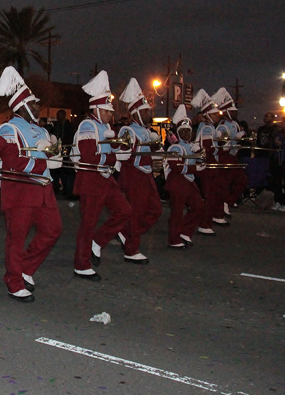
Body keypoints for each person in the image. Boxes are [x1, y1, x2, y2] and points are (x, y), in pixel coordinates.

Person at [0, 66, 62, 302]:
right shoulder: (8, 128)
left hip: (44, 189)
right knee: (16, 238)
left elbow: (51, 160)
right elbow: (12, 162)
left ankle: (25, 268)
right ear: (20, 106)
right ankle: (13, 281)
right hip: (21, 191)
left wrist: (54, 152)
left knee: (53, 230)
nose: (37, 107)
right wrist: (43, 161)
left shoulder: (40, 128)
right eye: (33, 104)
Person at [70, 71, 131, 280]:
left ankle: (98, 241)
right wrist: (115, 158)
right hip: (91, 180)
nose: (109, 114)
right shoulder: (87, 125)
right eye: (106, 110)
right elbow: (89, 157)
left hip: (105, 178)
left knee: (124, 210)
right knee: (88, 223)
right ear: (96, 108)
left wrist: (121, 150)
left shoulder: (105, 126)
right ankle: (81, 263)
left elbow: (110, 150)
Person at [115, 78, 163, 263]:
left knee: (155, 210)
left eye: (148, 111)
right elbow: (124, 153)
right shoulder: (128, 130)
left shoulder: (145, 130)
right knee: (136, 213)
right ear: (135, 114)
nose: (148, 114)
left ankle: (126, 232)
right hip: (134, 174)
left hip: (146, 173)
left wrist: (155, 145)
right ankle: (131, 249)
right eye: (144, 111)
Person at [163, 105, 205, 248]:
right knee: (177, 212)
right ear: (179, 133)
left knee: (198, 206)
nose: (187, 134)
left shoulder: (192, 146)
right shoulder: (175, 148)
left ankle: (185, 232)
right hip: (177, 183)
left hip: (189, 182)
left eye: (189, 131)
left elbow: (201, 162)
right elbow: (177, 168)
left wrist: (199, 154)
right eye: (184, 132)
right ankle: (174, 239)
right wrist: (195, 167)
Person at [191, 89, 224, 235]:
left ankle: (209, 220)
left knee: (213, 193)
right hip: (207, 164)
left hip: (211, 163)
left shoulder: (210, 127)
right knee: (209, 195)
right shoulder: (206, 128)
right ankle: (205, 224)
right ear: (208, 115)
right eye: (215, 114)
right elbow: (206, 149)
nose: (217, 116)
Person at [52, 109, 76, 198]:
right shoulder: (57, 126)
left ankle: (68, 191)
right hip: (58, 151)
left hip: (67, 151)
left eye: (60, 116)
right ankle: (60, 188)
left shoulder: (69, 126)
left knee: (68, 172)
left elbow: (70, 139)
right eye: (58, 116)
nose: (58, 118)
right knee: (59, 171)